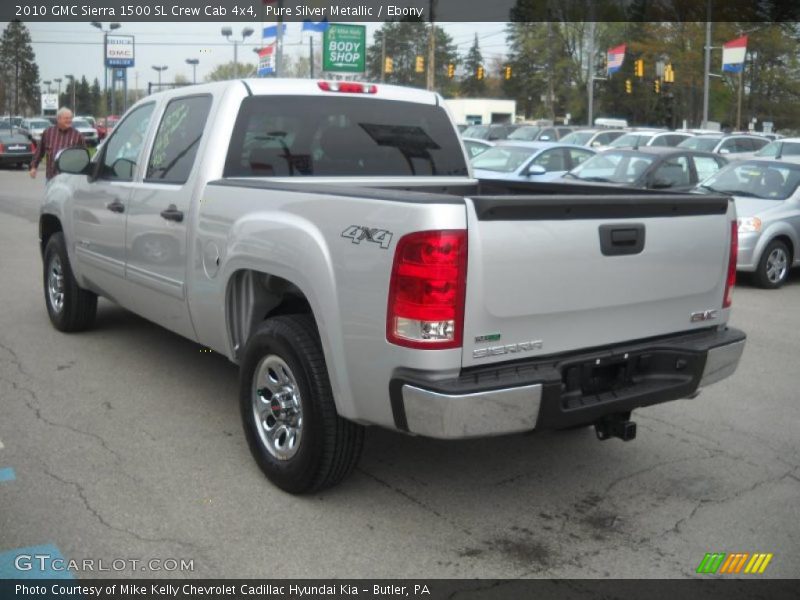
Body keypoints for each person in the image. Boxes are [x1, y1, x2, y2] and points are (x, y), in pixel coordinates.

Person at [29, 107, 86, 181]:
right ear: (58, 119)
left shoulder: (77, 135)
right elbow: (40, 151)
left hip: (70, 179)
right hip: (51, 177)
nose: (69, 120)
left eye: (70, 118)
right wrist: (33, 167)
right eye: (66, 118)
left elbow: (83, 156)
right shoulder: (48, 133)